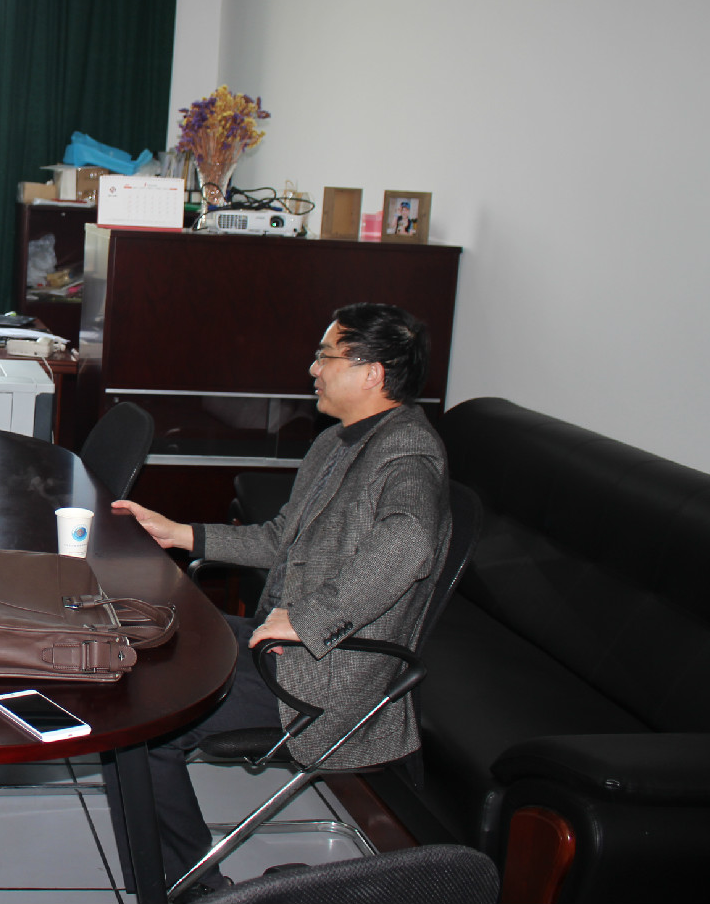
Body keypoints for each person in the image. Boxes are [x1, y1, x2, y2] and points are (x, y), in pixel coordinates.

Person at [105, 303, 452, 898]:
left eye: (326, 356)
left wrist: (310, 619)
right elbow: (279, 537)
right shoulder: (338, 441)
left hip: (330, 671)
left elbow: (409, 542)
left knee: (143, 727)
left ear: (372, 372)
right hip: (282, 641)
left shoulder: (408, 455)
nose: (313, 369)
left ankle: (192, 887)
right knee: (141, 650)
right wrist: (181, 533)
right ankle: (163, 872)